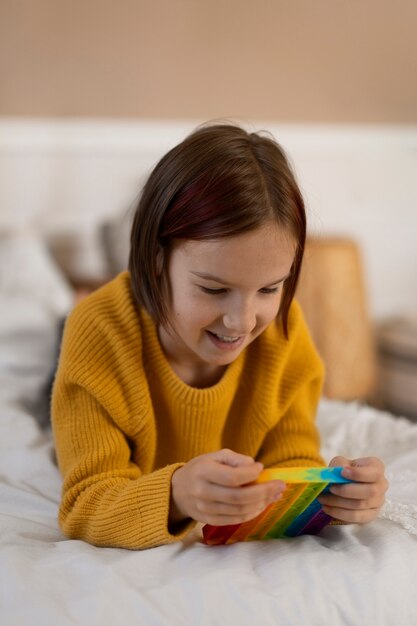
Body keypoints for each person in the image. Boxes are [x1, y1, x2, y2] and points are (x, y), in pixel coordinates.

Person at [51, 122, 388, 550]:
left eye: (269, 288)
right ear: (156, 258)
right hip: (96, 346)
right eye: (214, 289)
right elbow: (85, 503)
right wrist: (177, 494)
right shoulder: (97, 330)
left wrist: (331, 493)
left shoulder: (284, 329)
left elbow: (292, 457)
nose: (242, 322)